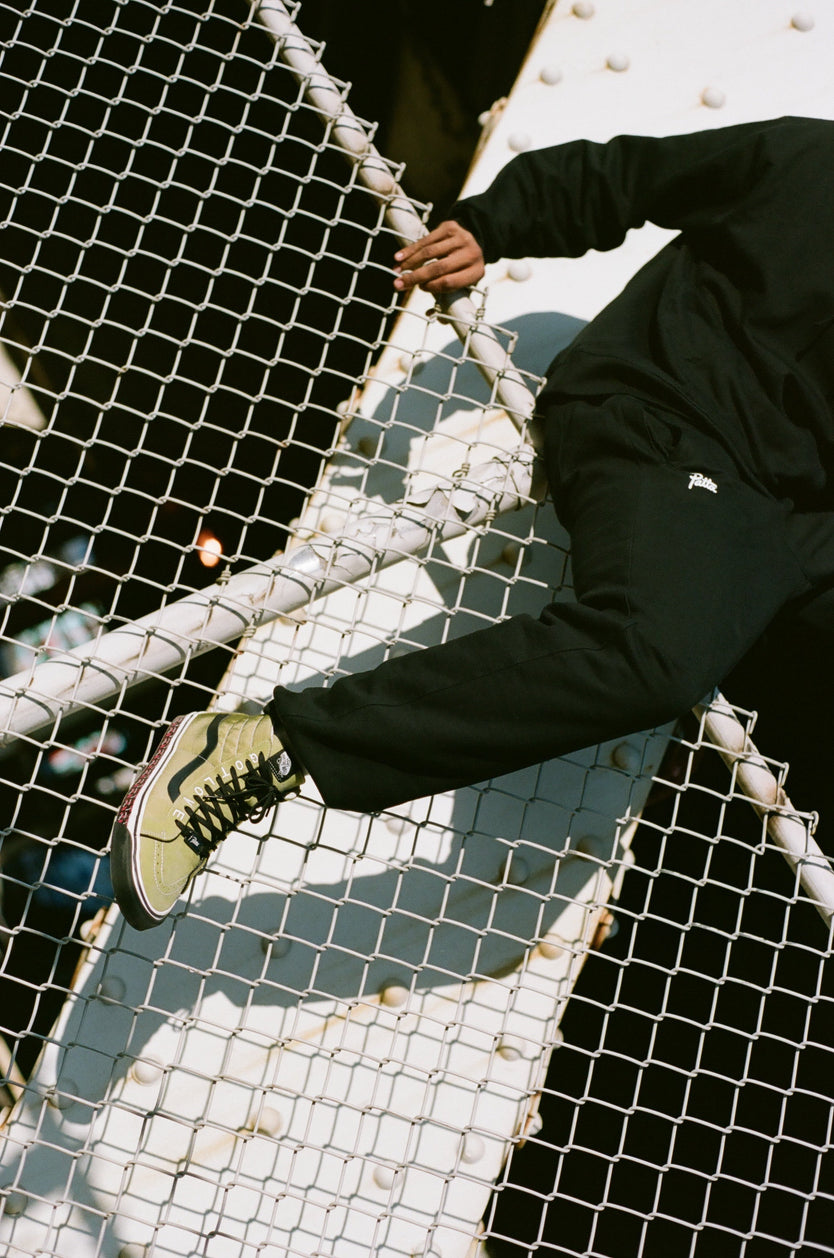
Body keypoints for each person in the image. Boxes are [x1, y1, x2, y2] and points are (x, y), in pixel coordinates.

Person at [110, 115, 834, 931]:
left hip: (784, 508)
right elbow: (628, 174)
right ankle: (266, 748)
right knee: (650, 651)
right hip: (674, 415)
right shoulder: (814, 160)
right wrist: (492, 224)